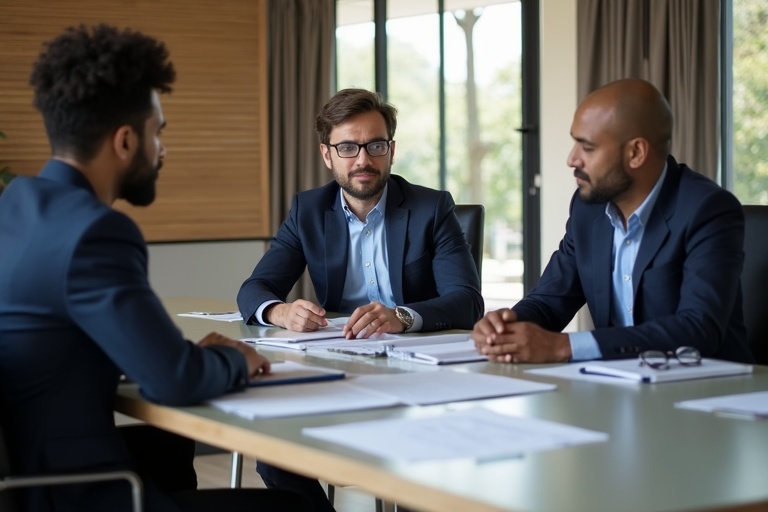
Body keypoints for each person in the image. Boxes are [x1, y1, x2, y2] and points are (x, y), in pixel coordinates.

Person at [0, 24, 310, 512]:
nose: (162, 149)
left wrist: (177, 357)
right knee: (294, 507)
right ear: (125, 141)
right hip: (74, 496)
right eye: (157, 132)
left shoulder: (15, 203)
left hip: (24, 475)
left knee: (169, 449)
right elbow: (175, 381)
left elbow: (66, 342)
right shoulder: (95, 232)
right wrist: (238, 359)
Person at [237, 88, 484, 510]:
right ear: (327, 154)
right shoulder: (308, 211)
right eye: (348, 147)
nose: (363, 160)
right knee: (275, 450)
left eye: (375, 146)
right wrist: (280, 311)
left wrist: (402, 316)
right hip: (336, 367)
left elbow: (467, 301)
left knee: (416, 471)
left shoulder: (431, 208)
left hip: (418, 374)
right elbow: (254, 289)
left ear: (391, 150)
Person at [472, 78, 754, 365]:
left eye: (587, 147)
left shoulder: (707, 209)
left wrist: (564, 346)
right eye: (574, 142)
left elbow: (698, 328)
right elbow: (549, 302)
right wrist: (505, 326)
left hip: (705, 384)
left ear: (636, 153)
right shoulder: (588, 209)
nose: (572, 159)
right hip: (617, 381)